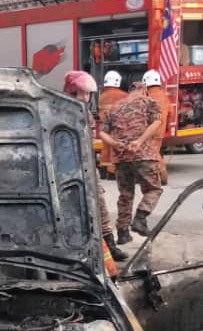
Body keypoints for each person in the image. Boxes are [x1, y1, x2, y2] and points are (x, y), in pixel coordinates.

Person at [63, 70, 126, 262]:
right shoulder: (61, 112)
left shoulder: (87, 114)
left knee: (100, 206)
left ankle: (109, 245)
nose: (86, 97)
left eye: (88, 93)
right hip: (67, 169)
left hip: (88, 166)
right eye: (83, 93)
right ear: (73, 92)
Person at [100, 81, 163, 242]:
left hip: (121, 157)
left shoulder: (115, 107)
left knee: (125, 195)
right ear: (144, 91)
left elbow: (102, 133)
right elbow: (157, 122)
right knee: (153, 189)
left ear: (129, 91)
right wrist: (140, 141)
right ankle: (140, 219)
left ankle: (122, 233)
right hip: (144, 155)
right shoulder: (149, 101)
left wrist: (115, 143)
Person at [142, 69, 170, 185]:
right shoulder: (164, 96)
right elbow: (171, 113)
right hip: (160, 131)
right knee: (154, 152)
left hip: (150, 131)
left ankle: (162, 177)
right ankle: (154, 176)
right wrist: (166, 127)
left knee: (153, 154)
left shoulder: (147, 98)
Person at [98, 71, 128, 178]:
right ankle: (111, 173)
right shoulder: (124, 95)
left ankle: (102, 171)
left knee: (105, 148)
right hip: (117, 126)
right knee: (115, 148)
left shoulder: (102, 97)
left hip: (104, 127)